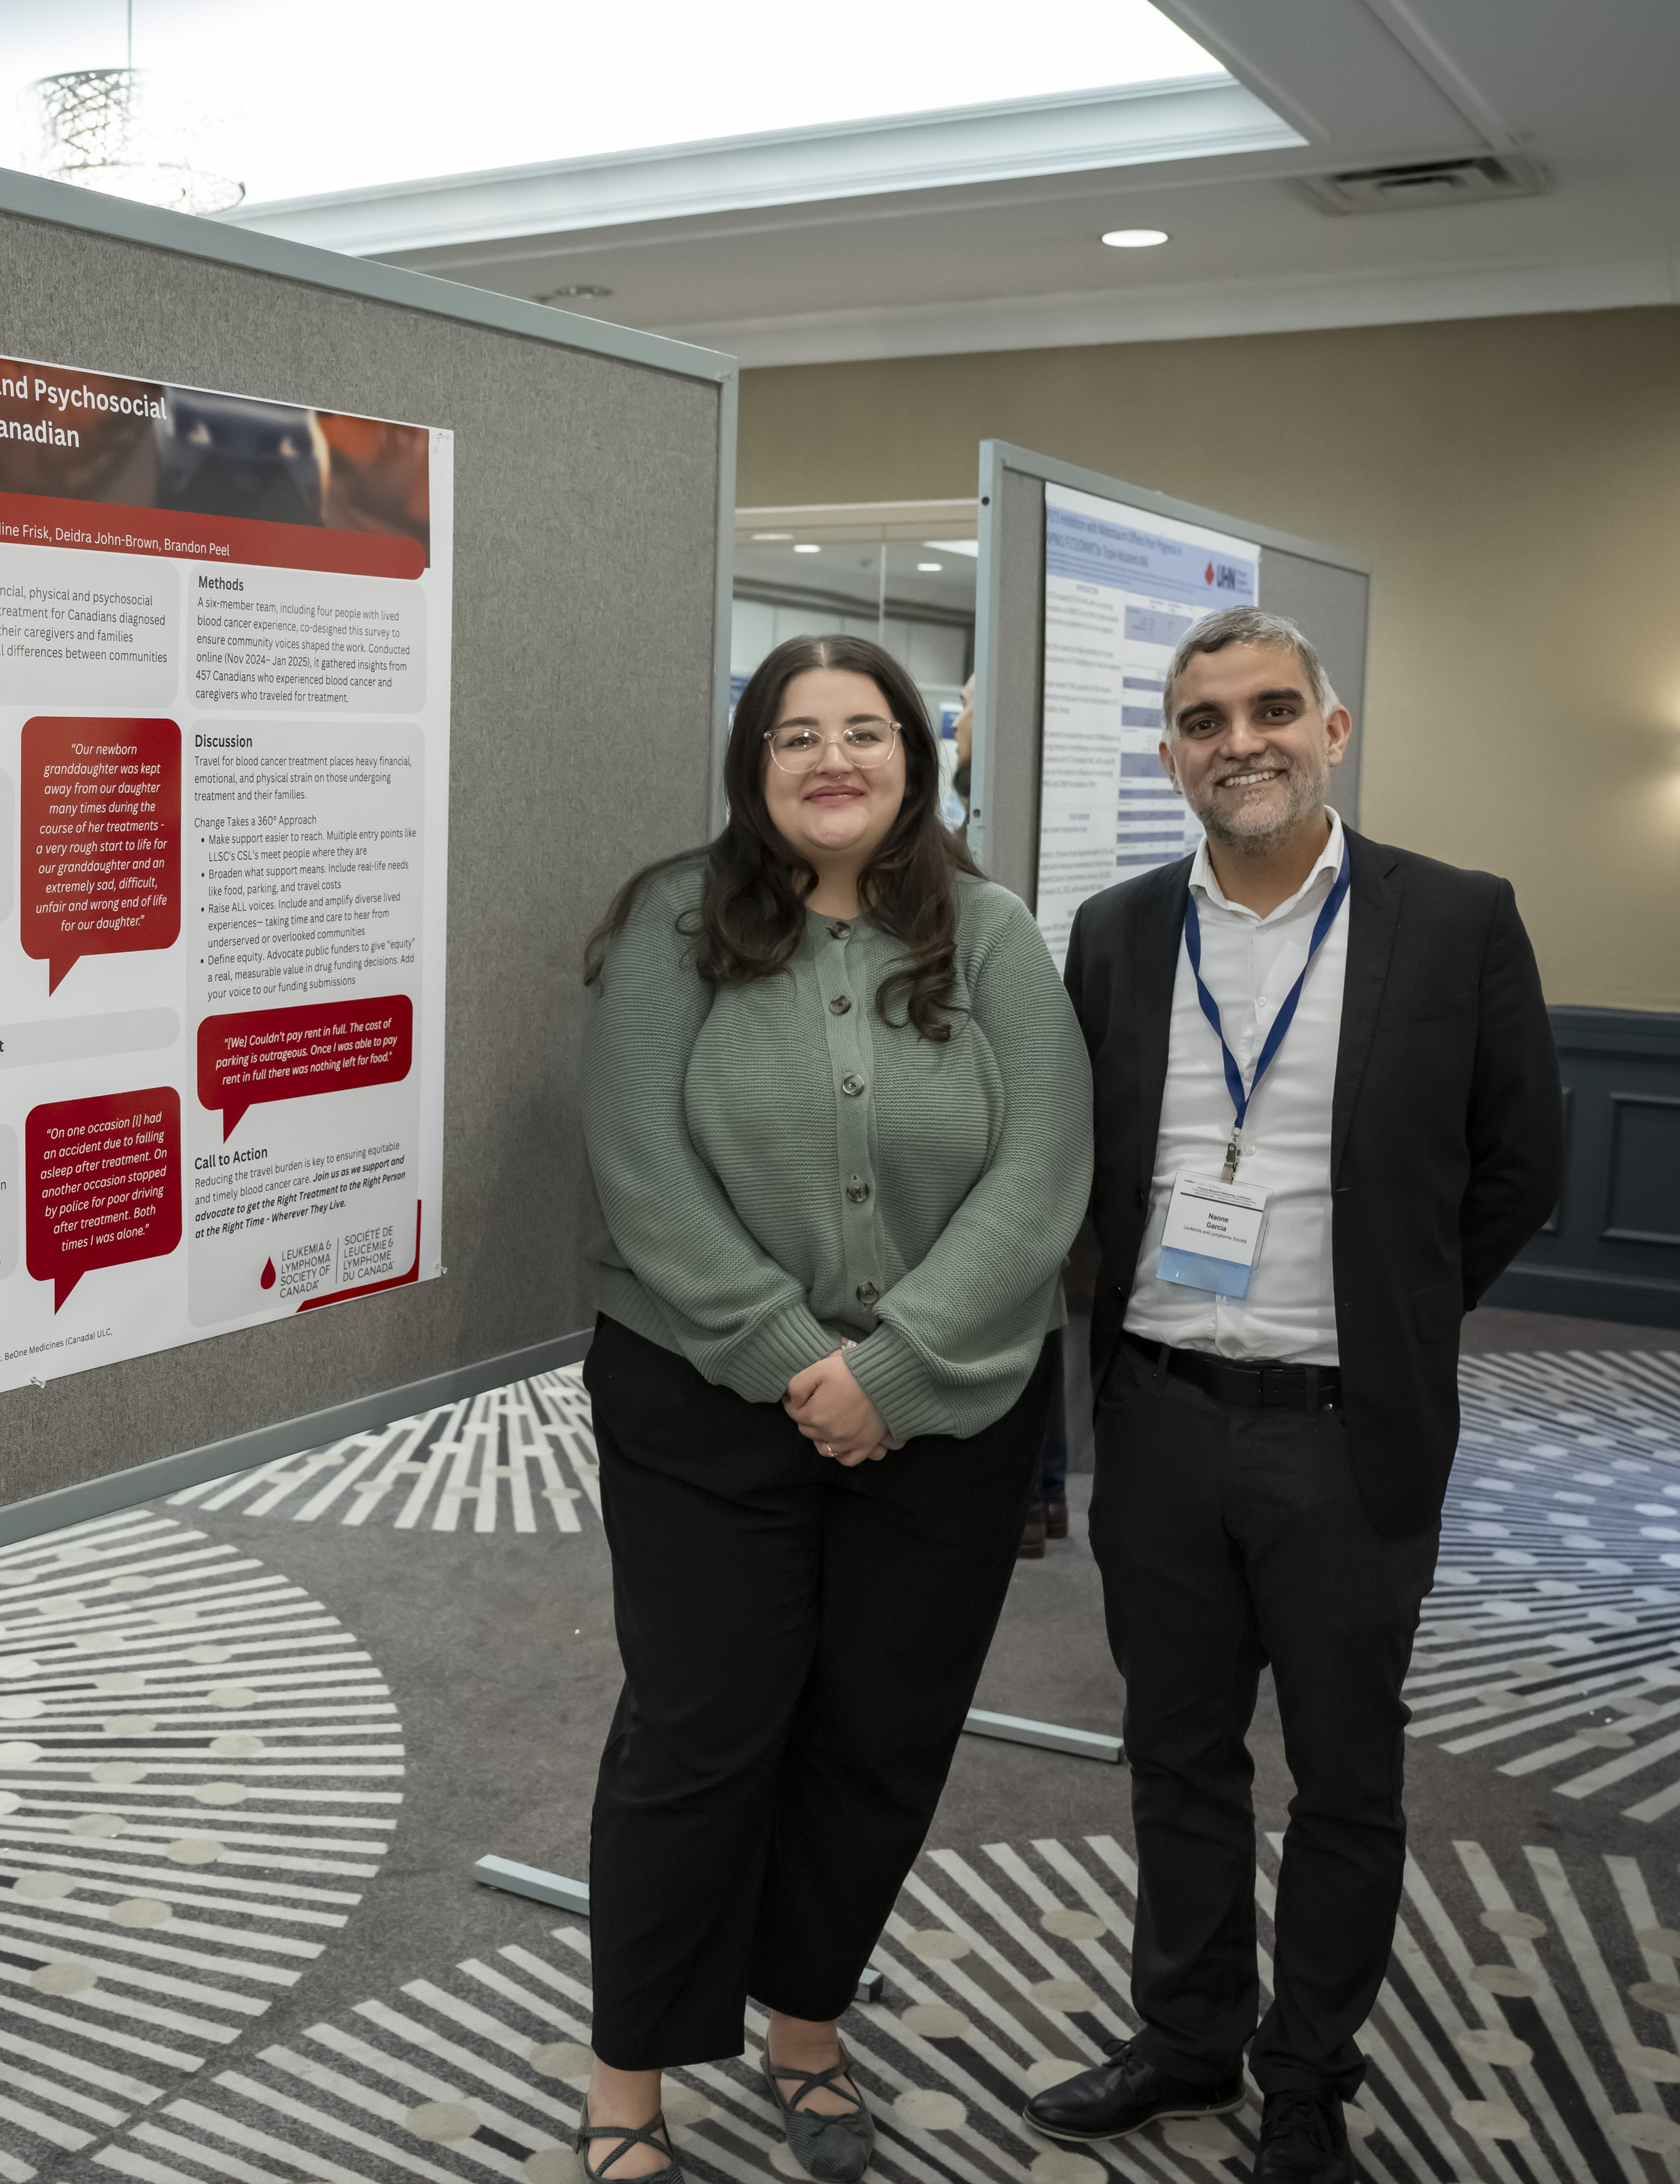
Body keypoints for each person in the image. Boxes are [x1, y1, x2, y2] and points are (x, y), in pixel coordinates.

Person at [1028, 608, 1562, 2182]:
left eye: (1272, 709)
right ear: (1171, 754)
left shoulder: (1455, 918)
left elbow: (1521, 1163)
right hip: (1160, 1418)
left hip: (1347, 1431)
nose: (1239, 741)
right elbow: (1083, 1165)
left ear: (1333, 729)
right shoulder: (1116, 930)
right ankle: (1189, 2031)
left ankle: (1309, 2072)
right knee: (1176, 1750)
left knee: (1347, 1771)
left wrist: (1395, 1314)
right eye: (1204, 720)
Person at [573, 633, 1093, 2181]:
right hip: (702, 1393)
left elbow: (1044, 1169)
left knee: (881, 1731)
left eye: (866, 730)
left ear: (916, 757)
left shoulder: (990, 931)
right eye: (794, 734)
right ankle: (627, 2068)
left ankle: (808, 2025)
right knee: (702, 1730)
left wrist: (896, 1368)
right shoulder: (675, 920)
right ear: (754, 763)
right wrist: (796, 1352)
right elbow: (638, 1163)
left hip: (950, 1407)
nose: (832, 760)